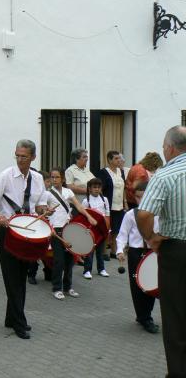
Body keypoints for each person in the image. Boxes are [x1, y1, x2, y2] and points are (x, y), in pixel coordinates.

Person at [0, 139, 47, 340]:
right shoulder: (6, 175)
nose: (20, 160)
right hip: (9, 233)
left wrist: (45, 211)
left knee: (20, 278)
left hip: (28, 234)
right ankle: (20, 323)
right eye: (17, 156)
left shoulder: (38, 178)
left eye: (24, 157)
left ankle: (10, 318)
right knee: (12, 279)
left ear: (33, 157)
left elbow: (40, 205)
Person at [137, 126, 186, 376]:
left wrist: (151, 238)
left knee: (176, 318)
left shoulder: (165, 175)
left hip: (177, 252)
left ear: (169, 147)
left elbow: (144, 214)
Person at [45, 167, 97, 300]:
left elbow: (78, 206)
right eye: (52, 177)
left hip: (68, 229)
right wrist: (47, 218)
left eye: (57, 177)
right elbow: (42, 210)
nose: (54, 179)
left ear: (62, 179)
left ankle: (68, 287)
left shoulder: (68, 191)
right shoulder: (47, 194)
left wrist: (89, 217)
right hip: (55, 230)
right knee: (59, 260)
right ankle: (57, 288)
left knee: (69, 261)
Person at [116, 182, 160, 334]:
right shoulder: (130, 214)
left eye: (143, 196)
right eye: (138, 197)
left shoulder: (158, 213)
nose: (141, 200)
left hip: (153, 252)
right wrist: (120, 251)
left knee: (151, 284)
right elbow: (122, 235)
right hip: (136, 252)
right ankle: (144, 317)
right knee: (137, 286)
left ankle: (145, 315)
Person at [98, 150, 128, 258]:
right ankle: (104, 251)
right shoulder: (104, 172)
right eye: (116, 158)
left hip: (119, 205)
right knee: (107, 229)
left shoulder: (121, 171)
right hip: (108, 205)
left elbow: (123, 188)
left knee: (117, 229)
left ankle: (114, 251)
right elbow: (100, 189)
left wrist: (125, 202)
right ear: (109, 160)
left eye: (119, 158)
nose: (119, 160)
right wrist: (102, 203)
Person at [81, 177, 111, 279]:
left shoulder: (104, 199)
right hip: (91, 228)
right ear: (90, 188)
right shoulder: (86, 201)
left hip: (101, 227)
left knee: (100, 250)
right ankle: (87, 270)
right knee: (90, 249)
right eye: (94, 187)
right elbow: (84, 215)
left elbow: (107, 213)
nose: (97, 189)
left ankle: (101, 269)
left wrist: (107, 227)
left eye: (98, 187)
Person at [27, 171, 52, 284]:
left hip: (47, 224)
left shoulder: (48, 193)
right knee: (36, 250)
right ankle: (32, 274)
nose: (49, 184)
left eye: (49, 181)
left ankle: (48, 272)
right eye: (47, 181)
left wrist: (47, 211)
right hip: (37, 224)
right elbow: (36, 209)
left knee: (47, 251)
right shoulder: (35, 193)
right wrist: (43, 211)